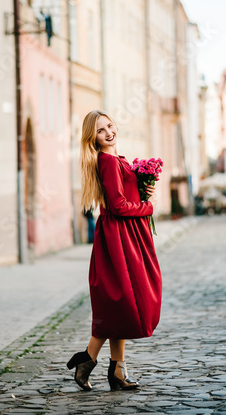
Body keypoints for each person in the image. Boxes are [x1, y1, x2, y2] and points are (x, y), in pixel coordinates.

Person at [67, 109, 162, 391]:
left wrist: (143, 187)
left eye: (110, 126)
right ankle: (93, 362)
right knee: (122, 302)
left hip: (123, 234)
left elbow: (123, 197)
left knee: (120, 303)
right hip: (119, 237)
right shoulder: (107, 161)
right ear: (93, 138)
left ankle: (111, 369)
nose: (109, 132)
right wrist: (147, 206)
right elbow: (118, 205)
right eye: (100, 130)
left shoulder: (116, 160)